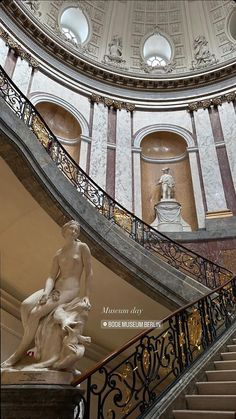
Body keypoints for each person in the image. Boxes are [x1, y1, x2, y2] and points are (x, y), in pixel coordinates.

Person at [1, 220, 93, 368]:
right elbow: (51, 276)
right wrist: (46, 293)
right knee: (25, 305)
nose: (74, 232)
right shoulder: (59, 253)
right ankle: (32, 340)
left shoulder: (82, 247)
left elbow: (89, 273)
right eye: (71, 229)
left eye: (76, 230)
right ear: (64, 232)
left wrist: (87, 295)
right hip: (54, 288)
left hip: (69, 290)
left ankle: (17, 354)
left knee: (35, 314)